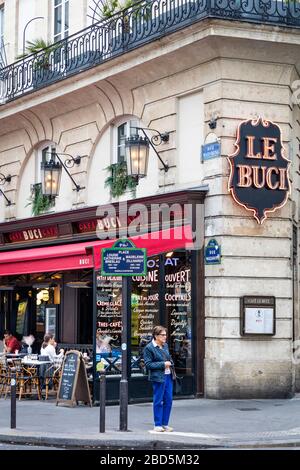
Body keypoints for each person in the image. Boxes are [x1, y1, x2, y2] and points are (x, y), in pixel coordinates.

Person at [143, 325, 175, 433]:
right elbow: (148, 365)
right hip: (158, 378)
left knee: (169, 400)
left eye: (165, 335)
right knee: (158, 401)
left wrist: (170, 363)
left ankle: (165, 424)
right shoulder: (149, 348)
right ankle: (157, 424)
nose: (165, 337)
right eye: (163, 335)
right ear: (156, 336)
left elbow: (168, 359)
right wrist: (163, 364)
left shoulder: (165, 346)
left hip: (168, 376)